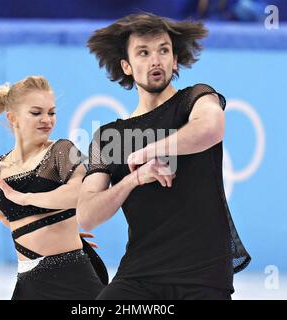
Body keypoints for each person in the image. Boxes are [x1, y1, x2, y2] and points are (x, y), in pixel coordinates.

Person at [77, 13, 250, 300]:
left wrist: (151, 149)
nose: (155, 60)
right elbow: (87, 215)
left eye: (163, 50)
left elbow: (211, 128)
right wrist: (132, 179)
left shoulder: (195, 98)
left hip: (202, 274)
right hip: (139, 275)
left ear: (175, 61)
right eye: (143, 53)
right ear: (127, 66)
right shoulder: (110, 136)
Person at [0, 75, 107, 300]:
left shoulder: (61, 151)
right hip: (28, 281)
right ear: (13, 118)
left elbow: (80, 192)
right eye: (36, 113)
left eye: (52, 112)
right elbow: (3, 212)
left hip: (72, 276)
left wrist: (28, 199)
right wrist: (46, 226)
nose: (46, 119)